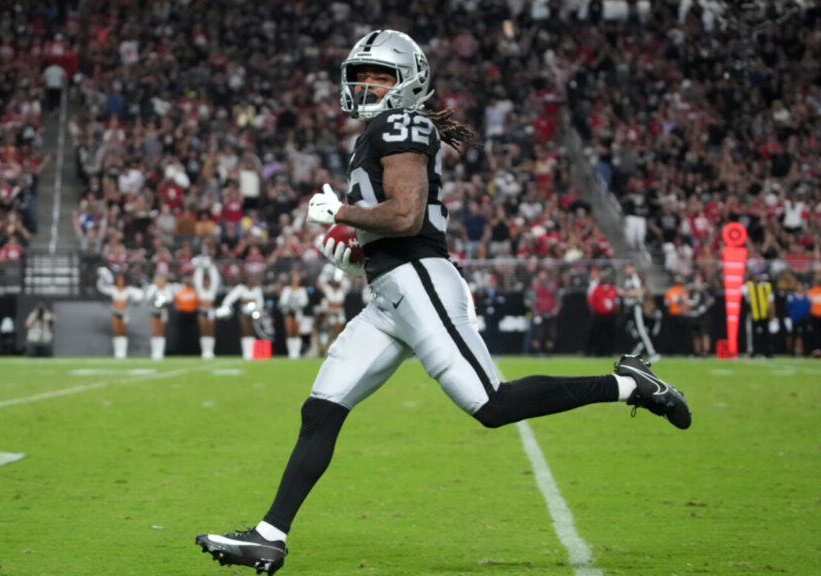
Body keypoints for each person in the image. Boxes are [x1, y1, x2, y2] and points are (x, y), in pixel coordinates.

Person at [195, 30, 691, 576]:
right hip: (390, 292)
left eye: (379, 75)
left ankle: (629, 384)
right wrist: (359, 255)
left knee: (493, 405)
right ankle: (270, 536)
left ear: (407, 81)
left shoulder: (399, 123)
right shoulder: (381, 129)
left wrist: (342, 214)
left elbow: (406, 215)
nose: (365, 84)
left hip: (419, 281)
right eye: (362, 74)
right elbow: (400, 224)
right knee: (321, 409)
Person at [96, 267, 144, 359]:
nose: (120, 282)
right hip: (115, 313)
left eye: (121, 280)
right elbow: (101, 287)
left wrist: (136, 299)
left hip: (124, 313)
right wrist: (101, 278)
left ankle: (123, 352)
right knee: (116, 332)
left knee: (123, 332)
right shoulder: (113, 290)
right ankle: (117, 353)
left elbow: (140, 294)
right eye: (118, 280)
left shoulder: (128, 290)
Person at [217, 271, 265, 360]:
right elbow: (229, 298)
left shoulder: (257, 289)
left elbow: (261, 303)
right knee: (245, 331)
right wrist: (226, 306)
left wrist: (256, 310)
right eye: (250, 278)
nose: (251, 280)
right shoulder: (241, 288)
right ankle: (246, 353)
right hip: (243, 312)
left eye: (253, 278)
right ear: (246, 279)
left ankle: (252, 352)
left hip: (254, 313)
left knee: (252, 331)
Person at [620, 262, 660, 363]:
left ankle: (652, 353)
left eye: (628, 268)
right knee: (630, 328)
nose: (626, 271)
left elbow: (639, 291)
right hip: (629, 308)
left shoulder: (635, 278)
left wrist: (625, 293)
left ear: (632, 268)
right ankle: (638, 348)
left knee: (641, 330)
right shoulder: (628, 280)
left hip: (636, 306)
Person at [586, 267, 620, 356]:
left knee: (610, 334)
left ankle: (610, 352)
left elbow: (617, 300)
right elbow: (591, 302)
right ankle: (598, 352)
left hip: (610, 315)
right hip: (599, 315)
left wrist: (616, 308)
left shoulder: (612, 289)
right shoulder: (597, 289)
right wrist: (594, 313)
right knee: (597, 334)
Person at [193, 255, 221, 359]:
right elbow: (197, 279)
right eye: (205, 281)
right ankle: (204, 351)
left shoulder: (212, 290)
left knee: (211, 330)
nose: (207, 282)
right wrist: (200, 267)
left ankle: (211, 351)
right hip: (202, 311)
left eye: (208, 281)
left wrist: (210, 266)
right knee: (203, 330)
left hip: (211, 311)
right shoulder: (200, 290)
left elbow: (215, 278)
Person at [742, 271, 775, 358]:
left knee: (766, 335)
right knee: (753, 335)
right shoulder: (749, 286)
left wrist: (772, 314)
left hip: (764, 314)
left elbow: (771, 301)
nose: (757, 277)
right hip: (754, 314)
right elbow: (742, 291)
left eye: (759, 275)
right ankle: (753, 352)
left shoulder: (766, 286)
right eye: (756, 275)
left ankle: (767, 353)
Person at [278, 271, 309, 359]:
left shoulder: (302, 290)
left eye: (297, 279)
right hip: (288, 312)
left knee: (297, 332)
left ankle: (296, 352)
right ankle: (291, 352)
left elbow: (305, 301)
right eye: (294, 279)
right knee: (289, 331)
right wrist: (289, 305)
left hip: (298, 312)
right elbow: (283, 300)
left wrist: (297, 304)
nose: (296, 281)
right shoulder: (287, 289)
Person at [683, 272, 715, 358]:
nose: (697, 279)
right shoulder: (693, 289)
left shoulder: (706, 288)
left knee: (704, 333)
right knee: (695, 334)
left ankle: (706, 351)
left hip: (703, 315)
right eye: (696, 277)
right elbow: (690, 300)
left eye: (699, 277)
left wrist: (704, 308)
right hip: (694, 314)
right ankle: (697, 352)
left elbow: (711, 300)